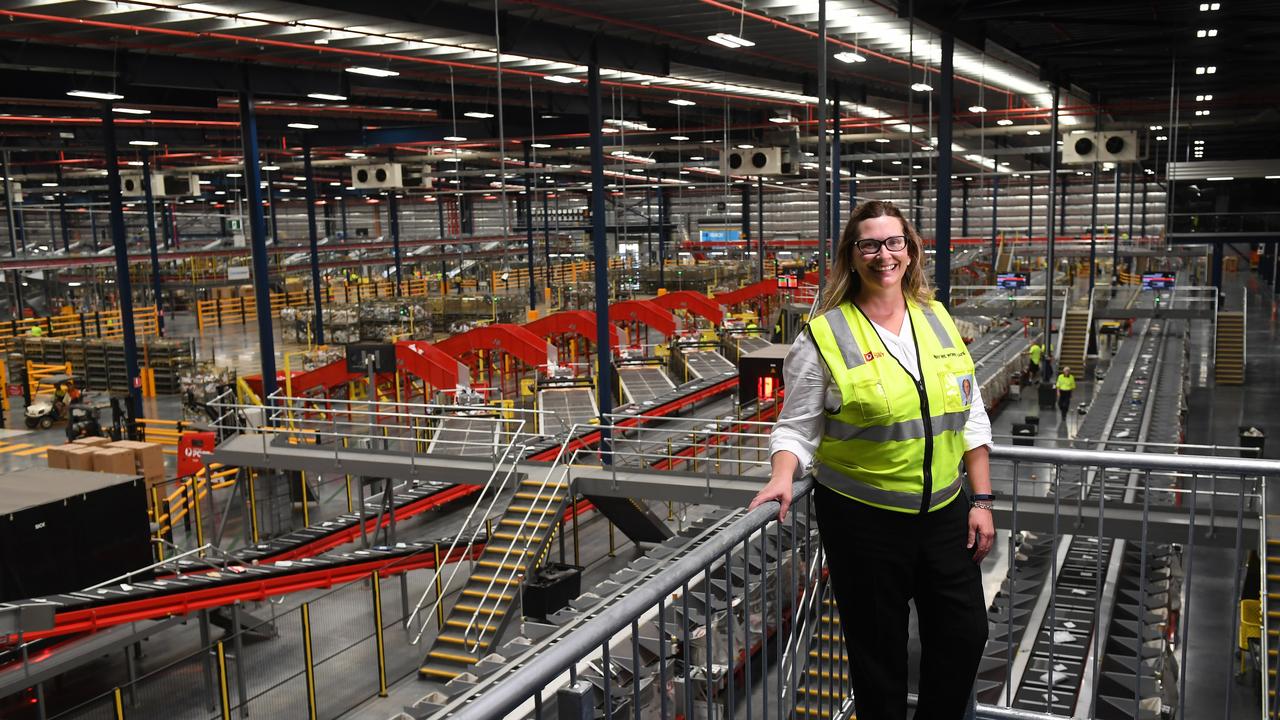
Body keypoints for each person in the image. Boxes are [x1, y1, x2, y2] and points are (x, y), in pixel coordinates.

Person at [751, 200, 994, 720]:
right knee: (878, 660)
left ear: (910, 249)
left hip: (945, 512)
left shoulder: (937, 317)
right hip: (864, 524)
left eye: (893, 242)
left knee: (965, 634)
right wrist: (781, 476)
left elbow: (968, 411)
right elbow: (796, 427)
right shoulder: (824, 336)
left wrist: (983, 498)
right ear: (852, 255)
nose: (884, 254)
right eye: (870, 244)